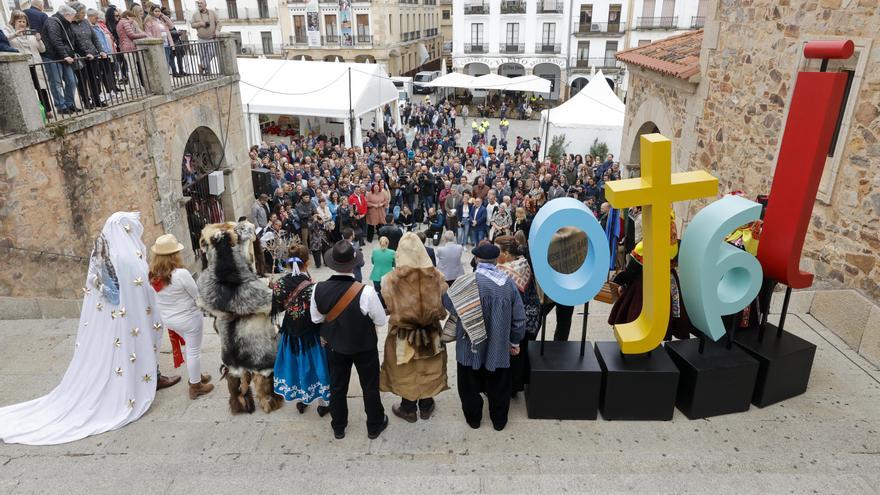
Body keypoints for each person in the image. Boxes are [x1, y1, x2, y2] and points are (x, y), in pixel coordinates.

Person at [0, 212, 160, 445]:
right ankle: (138, 380)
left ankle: (145, 374)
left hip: (110, 320)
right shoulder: (126, 258)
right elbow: (137, 289)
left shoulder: (102, 251)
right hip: (126, 320)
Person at [311, 241, 389, 440]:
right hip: (364, 346)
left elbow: (316, 319)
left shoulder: (318, 289)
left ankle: (338, 426)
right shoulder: (367, 291)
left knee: (337, 386)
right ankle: (374, 425)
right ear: (353, 265)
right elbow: (380, 320)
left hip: (335, 346)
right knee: (370, 386)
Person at [444, 242, 525, 431]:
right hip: (497, 346)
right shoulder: (508, 284)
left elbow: (449, 303)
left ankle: (474, 419)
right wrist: (514, 340)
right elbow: (519, 319)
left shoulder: (465, 281)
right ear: (497, 260)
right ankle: (499, 420)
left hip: (469, 344)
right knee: (499, 384)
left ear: (477, 259)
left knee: (468, 384)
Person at [380, 233, 449, 422]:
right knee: (429, 366)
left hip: (403, 333)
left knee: (406, 369)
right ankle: (426, 405)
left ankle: (408, 408)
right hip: (431, 332)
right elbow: (443, 301)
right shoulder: (437, 276)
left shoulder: (390, 279)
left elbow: (388, 304)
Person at [148, 234, 214, 399]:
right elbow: (196, 295)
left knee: (190, 349)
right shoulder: (181, 274)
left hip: (170, 320)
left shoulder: (153, 274)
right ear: (174, 255)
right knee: (193, 351)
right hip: (189, 319)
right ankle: (196, 386)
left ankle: (197, 376)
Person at [270, 244, 330, 416]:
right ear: (308, 262)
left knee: (296, 364)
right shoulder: (314, 287)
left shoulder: (280, 284)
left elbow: (278, 308)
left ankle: (302, 400)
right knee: (316, 366)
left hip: (290, 333)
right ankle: (324, 403)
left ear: (287, 263)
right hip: (311, 333)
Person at [495, 235, 541, 396]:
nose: (495, 254)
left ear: (506, 253)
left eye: (497, 251)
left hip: (517, 323)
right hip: (532, 318)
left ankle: (509, 388)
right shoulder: (522, 262)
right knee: (520, 357)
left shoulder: (506, 272)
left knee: (511, 357)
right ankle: (516, 386)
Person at [3, 10, 52, 117]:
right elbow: (4, 40)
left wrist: (39, 40)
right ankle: (33, 113)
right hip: (22, 66)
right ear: (13, 22)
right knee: (26, 90)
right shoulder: (7, 32)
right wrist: (15, 34)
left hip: (35, 64)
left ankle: (47, 110)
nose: (22, 24)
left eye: (24, 22)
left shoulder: (31, 33)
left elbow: (42, 50)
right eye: (19, 21)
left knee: (41, 88)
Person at [42, 4, 79, 114]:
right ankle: (61, 106)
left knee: (72, 81)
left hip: (63, 57)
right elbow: (56, 40)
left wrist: (71, 54)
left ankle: (69, 103)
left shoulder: (66, 23)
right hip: (52, 57)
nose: (73, 19)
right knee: (56, 83)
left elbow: (70, 41)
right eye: (73, 16)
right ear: (67, 14)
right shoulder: (52, 21)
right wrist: (65, 55)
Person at [68, 2, 105, 110]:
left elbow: (94, 38)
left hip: (93, 54)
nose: (84, 14)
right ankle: (86, 101)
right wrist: (85, 53)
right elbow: (73, 42)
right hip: (81, 57)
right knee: (82, 80)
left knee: (94, 78)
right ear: (76, 13)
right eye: (82, 12)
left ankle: (97, 100)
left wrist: (101, 50)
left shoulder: (85, 22)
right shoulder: (69, 24)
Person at [143, 4, 177, 76]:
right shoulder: (149, 21)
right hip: (158, 46)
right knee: (160, 64)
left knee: (166, 63)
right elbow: (148, 34)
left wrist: (163, 16)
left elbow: (171, 26)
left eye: (159, 11)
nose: (158, 13)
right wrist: (154, 42)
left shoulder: (162, 20)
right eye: (156, 11)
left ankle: (166, 79)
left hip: (166, 44)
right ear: (152, 12)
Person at [190, 0, 220, 74]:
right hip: (201, 38)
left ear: (205, 4)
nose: (199, 5)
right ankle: (207, 72)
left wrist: (217, 30)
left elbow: (218, 22)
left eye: (201, 3)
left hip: (211, 38)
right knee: (203, 56)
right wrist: (200, 24)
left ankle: (202, 66)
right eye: (198, 3)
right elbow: (192, 25)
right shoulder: (195, 14)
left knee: (211, 53)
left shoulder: (212, 12)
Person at [370, 236, 395, 305]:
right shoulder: (392, 252)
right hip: (388, 275)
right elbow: (394, 264)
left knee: (378, 293)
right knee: (389, 293)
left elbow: (373, 262)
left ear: (379, 243)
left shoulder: (375, 251)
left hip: (376, 275)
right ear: (388, 243)